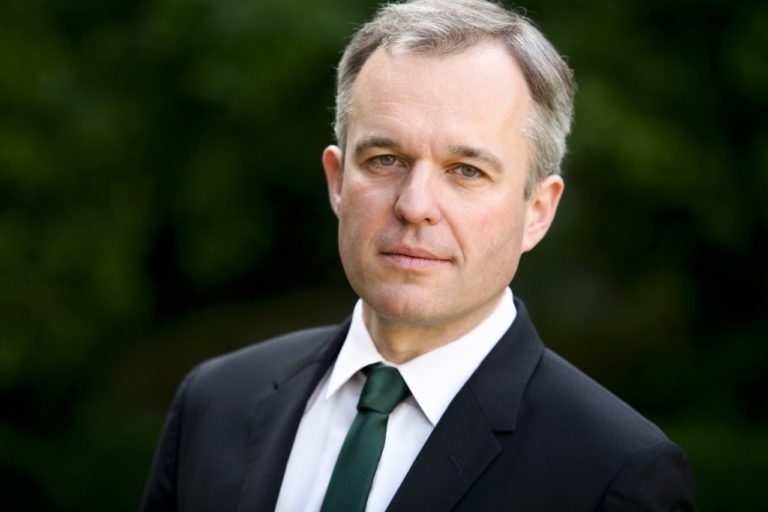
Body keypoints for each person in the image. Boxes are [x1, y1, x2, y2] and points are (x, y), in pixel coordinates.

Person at [141, 0, 697, 510]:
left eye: (466, 171)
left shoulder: (613, 474)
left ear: (537, 211)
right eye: (385, 159)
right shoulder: (214, 404)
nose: (415, 206)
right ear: (337, 181)